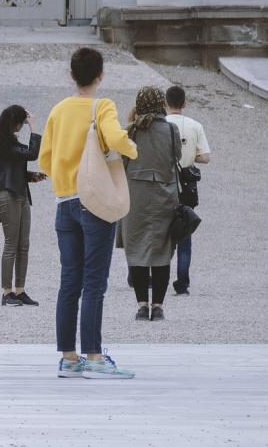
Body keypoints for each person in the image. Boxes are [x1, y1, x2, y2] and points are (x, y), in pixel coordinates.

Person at [38, 47, 138, 380]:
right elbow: (115, 139)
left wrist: (65, 179)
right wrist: (132, 148)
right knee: (95, 282)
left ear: (71, 75)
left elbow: (45, 159)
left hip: (64, 202)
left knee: (70, 282)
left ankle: (69, 357)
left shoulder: (59, 109)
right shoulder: (103, 105)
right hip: (93, 201)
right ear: (101, 76)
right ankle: (94, 355)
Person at [119, 86, 181, 323]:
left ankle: (142, 305)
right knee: (162, 251)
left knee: (136, 250)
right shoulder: (171, 129)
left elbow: (122, 158)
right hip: (165, 195)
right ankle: (158, 306)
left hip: (135, 195)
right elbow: (176, 157)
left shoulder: (131, 131)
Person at [0, 105, 46, 307]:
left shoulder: (9, 142)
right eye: (22, 122)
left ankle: (20, 290)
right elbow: (31, 154)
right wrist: (34, 128)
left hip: (21, 194)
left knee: (24, 245)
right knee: (11, 244)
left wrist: (32, 176)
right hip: (7, 195)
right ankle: (7, 293)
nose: (23, 126)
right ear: (16, 122)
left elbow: (15, 169)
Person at [165, 85, 211, 295]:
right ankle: (182, 282)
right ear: (185, 103)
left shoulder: (160, 125)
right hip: (186, 185)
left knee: (160, 232)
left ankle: (156, 277)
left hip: (164, 183)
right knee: (185, 234)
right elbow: (205, 157)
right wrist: (190, 156)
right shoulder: (195, 125)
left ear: (166, 103)